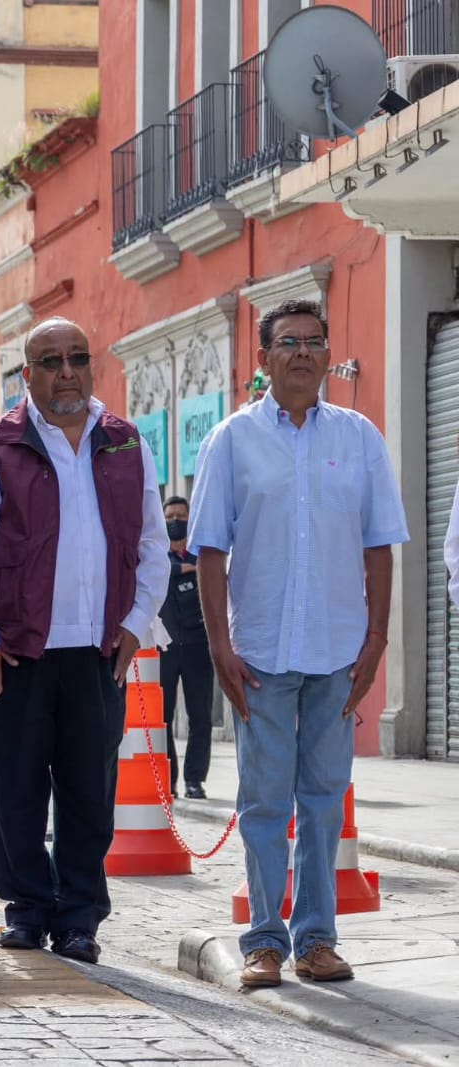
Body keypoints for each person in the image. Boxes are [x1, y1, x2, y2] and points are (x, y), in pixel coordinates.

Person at [188, 298, 407, 989]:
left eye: (315, 342)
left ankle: (317, 938)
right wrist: (219, 643)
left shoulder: (360, 438)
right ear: (264, 359)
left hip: (338, 649)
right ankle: (263, 939)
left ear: (327, 354)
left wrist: (377, 638)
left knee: (324, 797)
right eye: (289, 343)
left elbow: (381, 544)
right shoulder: (231, 440)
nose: (304, 354)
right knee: (263, 801)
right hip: (260, 655)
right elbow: (210, 552)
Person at [0, 316, 169, 966]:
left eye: (77, 357)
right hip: (15, 649)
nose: (66, 371)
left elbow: (153, 545)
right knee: (13, 787)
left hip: (98, 650)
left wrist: (134, 626)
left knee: (89, 792)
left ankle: (78, 918)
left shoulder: (126, 443)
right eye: (50, 361)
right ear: (28, 374)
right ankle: (27, 908)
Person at [157, 495, 213, 800]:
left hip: (197, 645)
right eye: (169, 517)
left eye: (180, 516)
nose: (175, 521)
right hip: (165, 647)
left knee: (200, 716)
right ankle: (169, 781)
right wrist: (186, 571)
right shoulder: (156, 555)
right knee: (162, 717)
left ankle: (195, 780)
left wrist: (194, 568)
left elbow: (215, 574)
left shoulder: (201, 555)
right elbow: (158, 573)